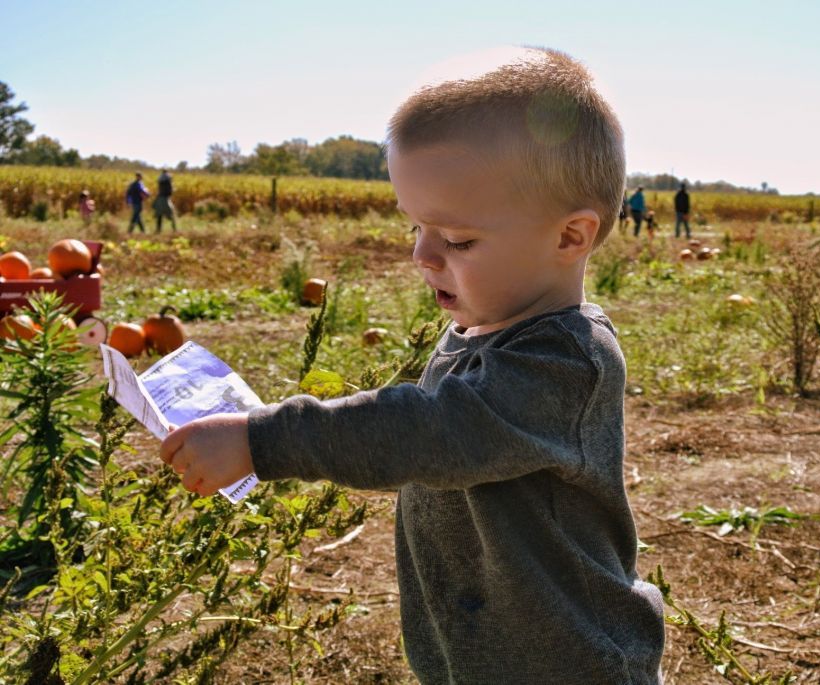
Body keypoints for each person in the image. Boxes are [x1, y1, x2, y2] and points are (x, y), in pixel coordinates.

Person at [159, 47, 665, 684]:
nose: (424, 255)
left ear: (570, 237)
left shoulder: (565, 360)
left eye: (457, 240)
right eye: (416, 227)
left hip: (574, 663)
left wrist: (265, 439)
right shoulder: (476, 332)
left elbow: (433, 432)